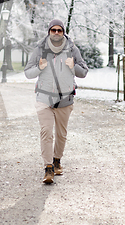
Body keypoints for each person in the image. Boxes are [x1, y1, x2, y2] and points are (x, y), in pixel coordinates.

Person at [24, 19, 88, 184]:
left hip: (65, 99)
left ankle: (57, 160)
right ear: (49, 32)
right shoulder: (40, 49)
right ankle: (48, 167)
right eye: (54, 30)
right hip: (44, 98)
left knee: (61, 134)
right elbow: (28, 73)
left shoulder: (72, 49)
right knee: (46, 131)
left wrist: (73, 66)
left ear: (63, 32)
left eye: (60, 30)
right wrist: (39, 68)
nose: (57, 33)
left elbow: (84, 72)